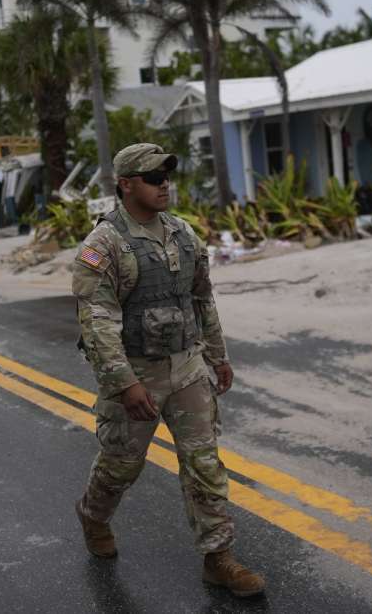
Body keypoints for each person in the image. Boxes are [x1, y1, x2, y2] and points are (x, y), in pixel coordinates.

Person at [71, 142, 264, 597]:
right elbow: (96, 322)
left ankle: (218, 558)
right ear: (126, 185)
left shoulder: (182, 233)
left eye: (167, 177)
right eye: (154, 178)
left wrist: (218, 355)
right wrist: (124, 383)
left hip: (187, 367)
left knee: (204, 463)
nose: (165, 185)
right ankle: (93, 514)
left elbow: (201, 298)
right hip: (137, 373)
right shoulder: (104, 245)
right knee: (121, 465)